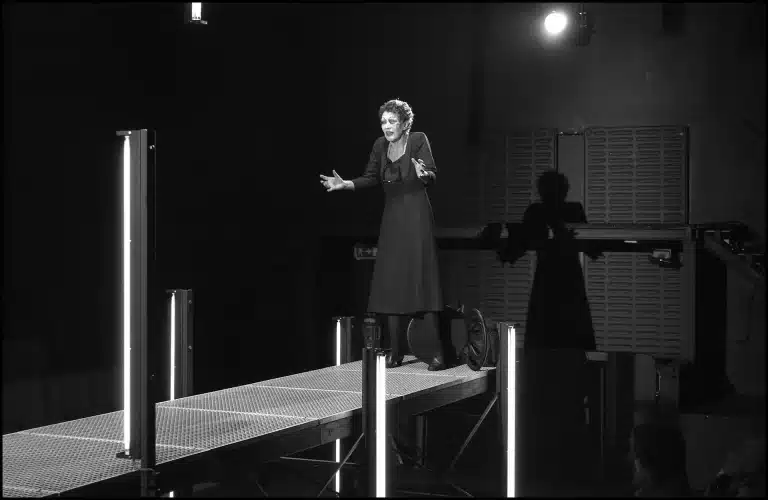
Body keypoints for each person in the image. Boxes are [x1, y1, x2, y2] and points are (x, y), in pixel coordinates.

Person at [319, 99, 446, 371]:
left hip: (417, 215)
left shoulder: (418, 139)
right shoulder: (380, 145)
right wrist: (346, 184)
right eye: (383, 122)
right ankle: (396, 351)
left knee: (420, 276)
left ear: (404, 123)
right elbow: (371, 177)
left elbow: (431, 174)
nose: (387, 126)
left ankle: (435, 353)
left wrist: (424, 175)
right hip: (392, 218)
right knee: (390, 280)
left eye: (392, 121)